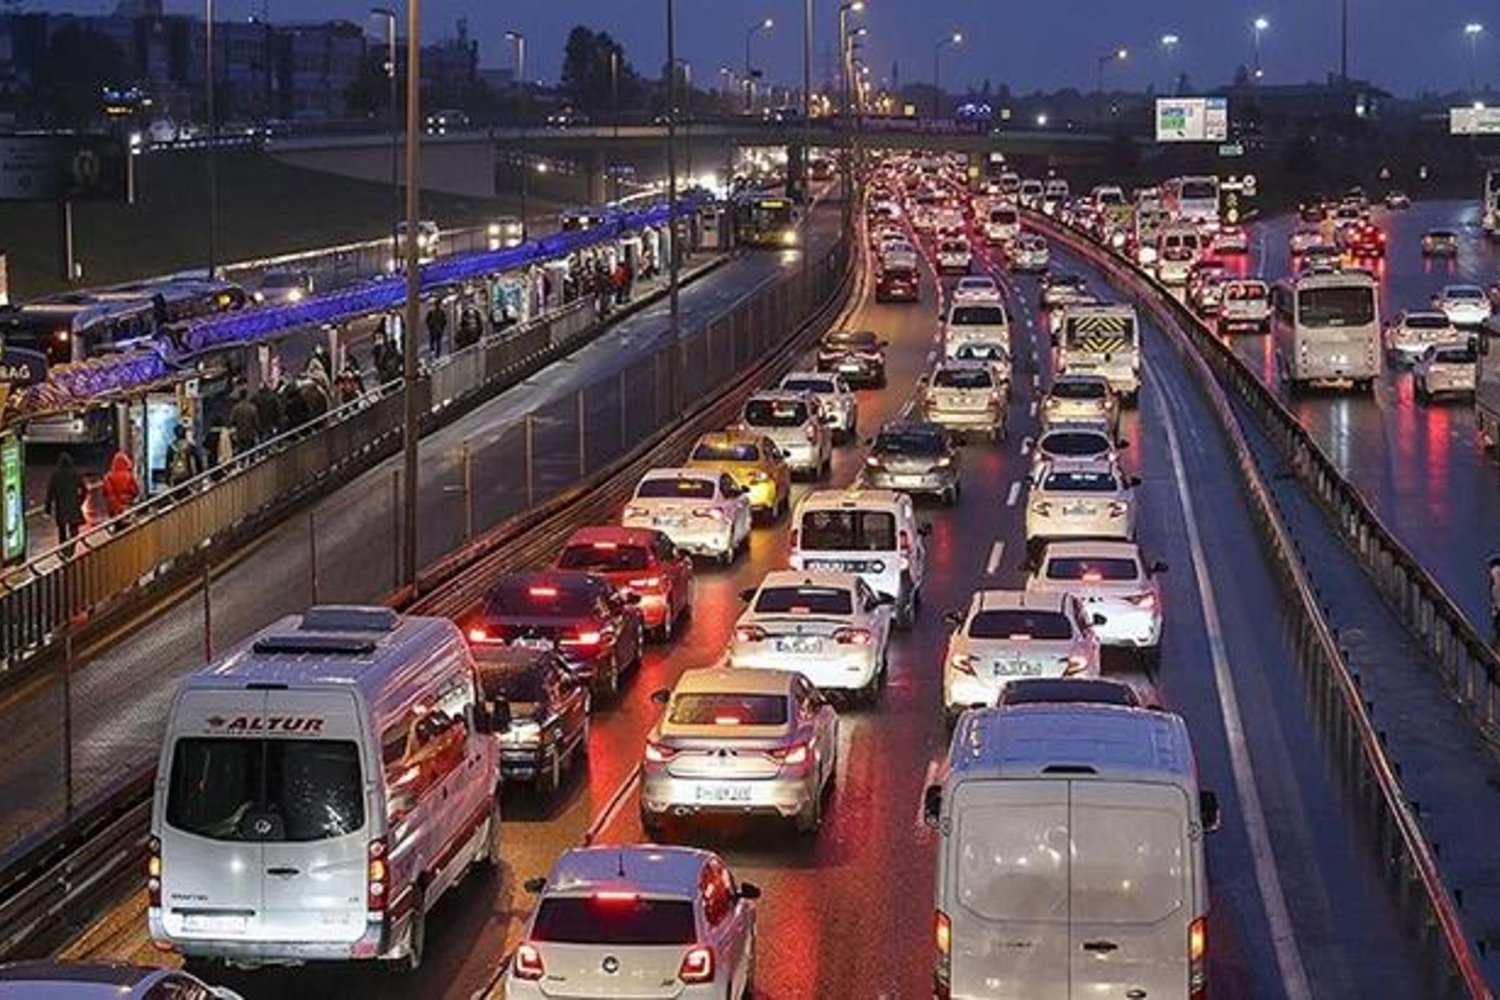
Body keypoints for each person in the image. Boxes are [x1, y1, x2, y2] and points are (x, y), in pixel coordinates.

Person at [44, 452, 87, 545]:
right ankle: (72, 547)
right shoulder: (76, 474)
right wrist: (80, 501)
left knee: (62, 530)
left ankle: (63, 547)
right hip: (74, 506)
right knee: (74, 529)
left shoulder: (56, 475)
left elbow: (50, 493)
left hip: (61, 507)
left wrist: (48, 509)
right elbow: (84, 489)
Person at [100, 451, 140, 521]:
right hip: (127, 505)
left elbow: (107, 493)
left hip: (114, 509)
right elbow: (135, 491)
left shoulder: (108, 476)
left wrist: (116, 505)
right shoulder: (129, 476)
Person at [229, 388, 261, 454]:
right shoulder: (252, 408)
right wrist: (258, 430)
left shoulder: (236, 408)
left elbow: (232, 421)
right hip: (250, 433)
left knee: (241, 451)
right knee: (251, 451)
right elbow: (256, 421)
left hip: (240, 433)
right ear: (246, 396)